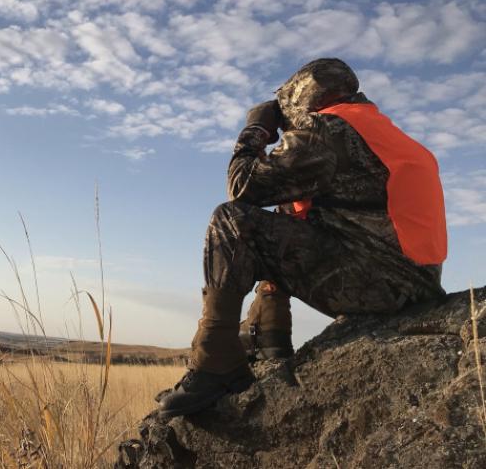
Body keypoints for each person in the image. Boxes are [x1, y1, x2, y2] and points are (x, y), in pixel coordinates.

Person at [159, 58, 447, 418]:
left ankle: (215, 358)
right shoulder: (386, 133)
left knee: (231, 221)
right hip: (419, 286)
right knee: (287, 212)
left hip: (379, 286)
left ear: (305, 96)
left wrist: (256, 129)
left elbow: (241, 187)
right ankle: (270, 338)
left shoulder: (328, 128)